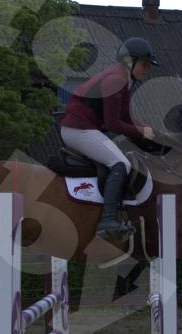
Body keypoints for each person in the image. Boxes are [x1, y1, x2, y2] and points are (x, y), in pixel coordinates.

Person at [57, 37, 159, 241]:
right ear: (130, 61)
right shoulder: (116, 80)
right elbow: (113, 124)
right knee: (121, 163)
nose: (147, 69)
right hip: (79, 130)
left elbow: (126, 118)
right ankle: (107, 220)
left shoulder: (125, 79)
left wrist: (150, 136)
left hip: (84, 128)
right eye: (145, 64)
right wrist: (142, 132)